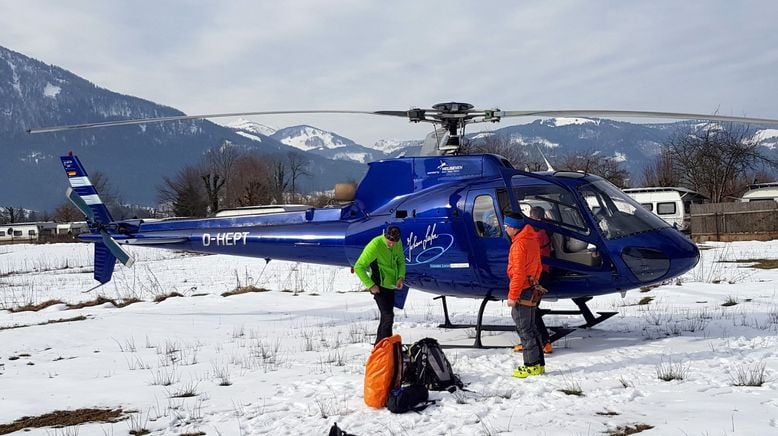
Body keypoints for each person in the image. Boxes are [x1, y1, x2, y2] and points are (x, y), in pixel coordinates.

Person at [504, 212, 545, 378]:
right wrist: (534, 280)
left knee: (524, 329)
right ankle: (539, 364)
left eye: (507, 226)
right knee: (532, 327)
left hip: (523, 290)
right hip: (531, 286)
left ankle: (531, 365)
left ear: (514, 227)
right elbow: (539, 266)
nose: (505, 229)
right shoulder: (531, 238)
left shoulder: (519, 245)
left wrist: (513, 296)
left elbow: (518, 273)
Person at [354, 225, 406, 345]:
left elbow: (401, 261)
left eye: (395, 242)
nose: (392, 244)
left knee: (385, 317)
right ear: (385, 236)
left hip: (391, 286)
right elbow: (358, 267)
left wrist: (400, 277)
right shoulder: (375, 245)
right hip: (378, 287)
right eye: (390, 242)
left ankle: (379, 346)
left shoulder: (397, 243)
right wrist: (371, 285)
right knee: (388, 317)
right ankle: (386, 346)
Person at [514, 206, 554, 354]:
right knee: (533, 310)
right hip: (543, 271)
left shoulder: (539, 234)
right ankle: (542, 341)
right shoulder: (545, 229)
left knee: (531, 310)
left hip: (540, 274)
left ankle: (543, 342)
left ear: (533, 217)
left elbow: (530, 246)